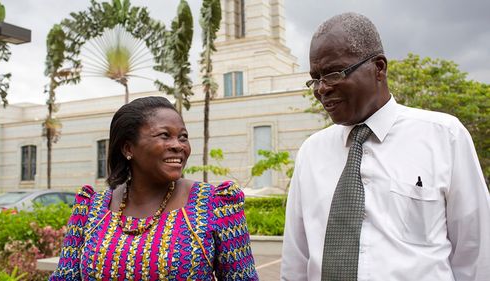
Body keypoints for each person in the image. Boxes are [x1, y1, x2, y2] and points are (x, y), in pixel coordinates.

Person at [281, 12, 490, 281]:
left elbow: (477, 254)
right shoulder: (311, 152)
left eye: (333, 74)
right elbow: (296, 262)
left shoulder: (444, 136)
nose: (321, 89)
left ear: (379, 67)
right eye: (315, 78)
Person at [50, 96, 258, 280]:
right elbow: (65, 276)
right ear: (128, 148)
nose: (178, 145)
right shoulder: (92, 208)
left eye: (183, 136)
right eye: (164, 135)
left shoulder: (215, 204)